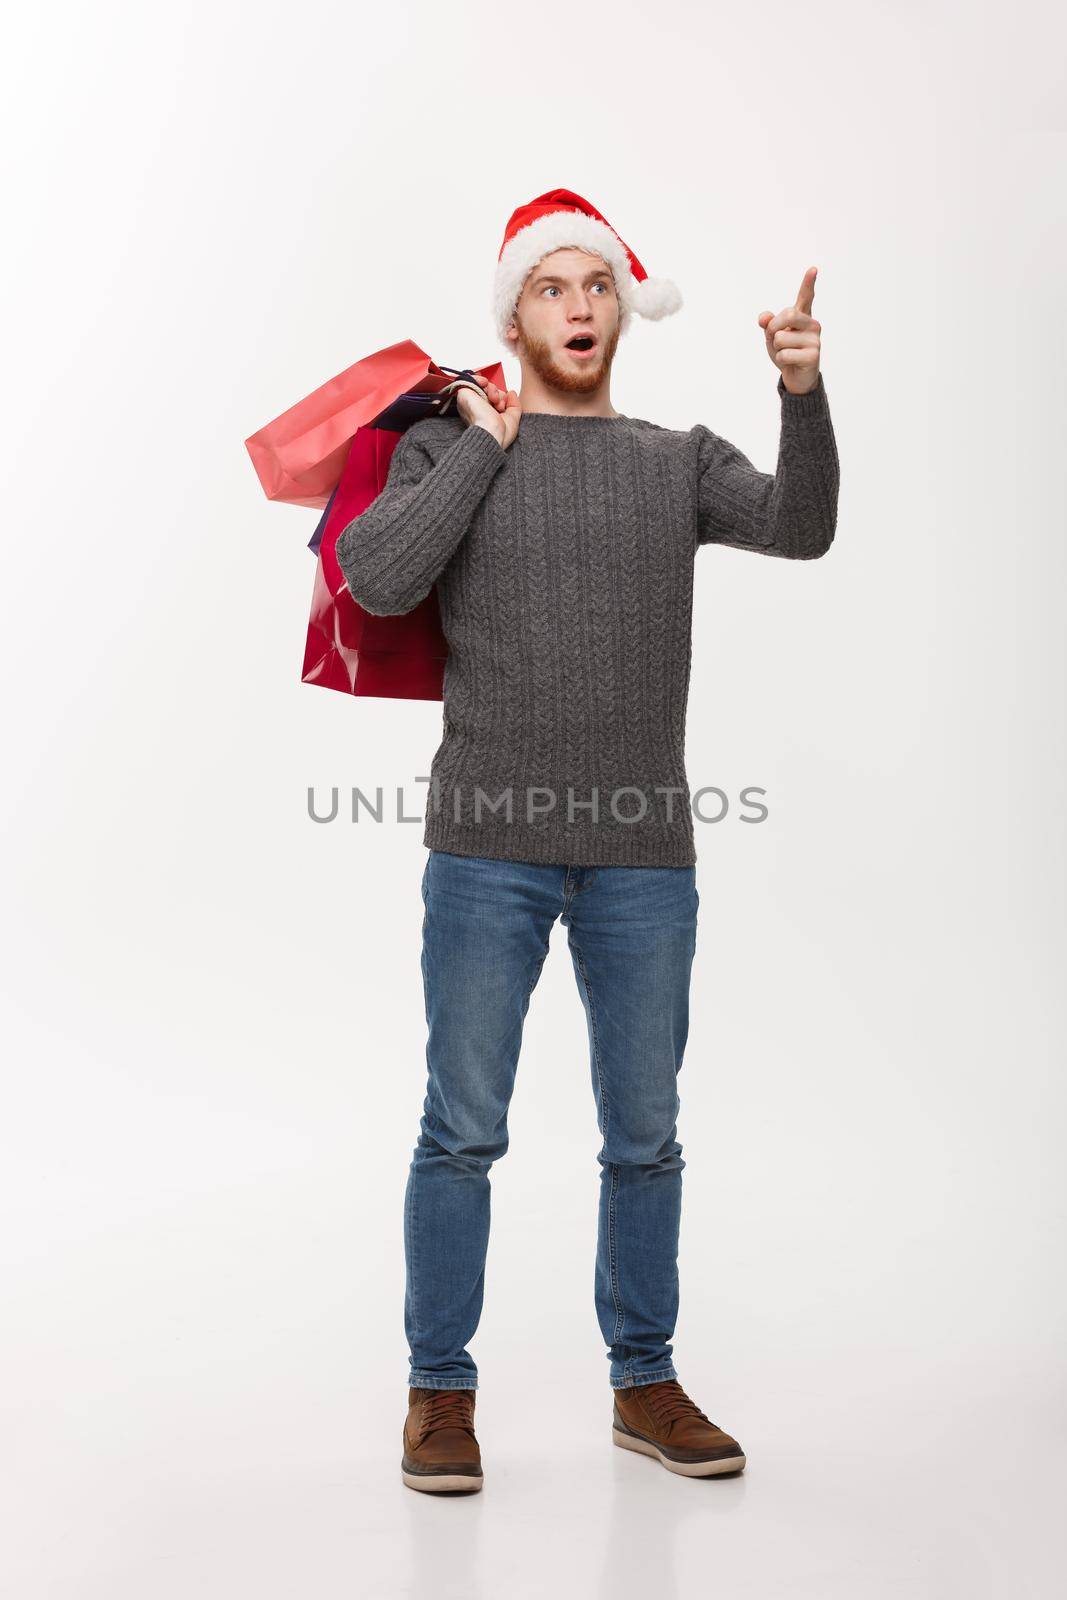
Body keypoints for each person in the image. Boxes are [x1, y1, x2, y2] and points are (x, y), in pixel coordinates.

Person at [334, 187, 840, 1493]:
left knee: (646, 1133)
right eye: (553, 287)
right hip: (484, 848)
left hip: (642, 855)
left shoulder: (674, 459)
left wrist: (800, 394)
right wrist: (488, 445)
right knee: (461, 1132)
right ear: (514, 311)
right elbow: (380, 578)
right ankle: (438, 1397)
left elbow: (802, 526)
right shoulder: (453, 448)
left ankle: (645, 1381)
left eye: (597, 285)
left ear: (624, 307)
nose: (578, 305)